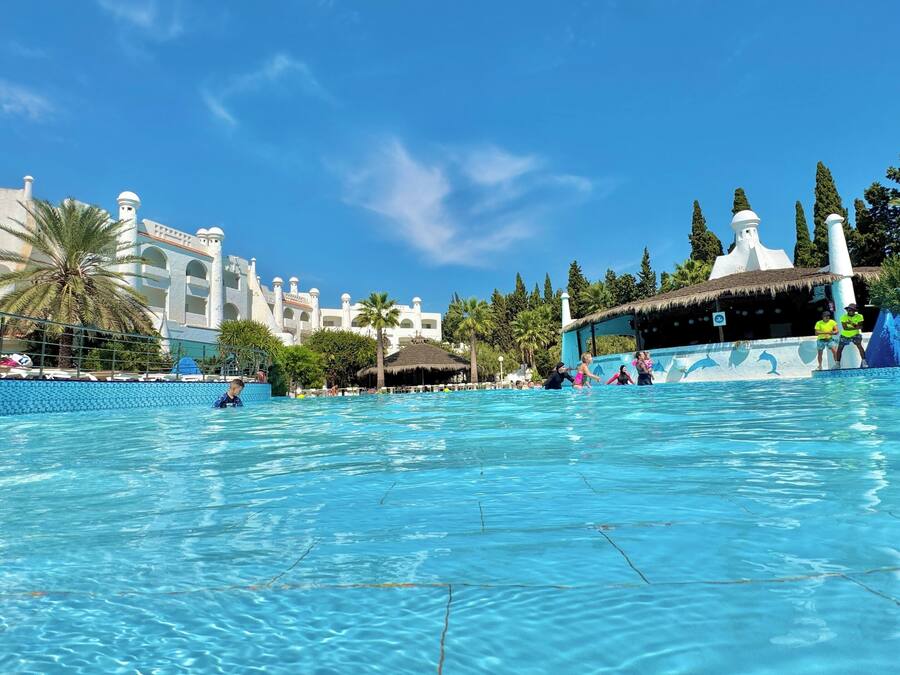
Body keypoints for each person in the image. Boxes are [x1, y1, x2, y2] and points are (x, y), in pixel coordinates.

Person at [836, 303, 868, 368]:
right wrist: (855, 326)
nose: (850, 311)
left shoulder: (859, 316)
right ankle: (837, 364)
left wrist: (851, 323)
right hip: (845, 335)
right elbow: (845, 328)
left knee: (859, 346)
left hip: (855, 335)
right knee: (839, 349)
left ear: (854, 311)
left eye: (852, 310)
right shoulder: (843, 317)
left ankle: (864, 362)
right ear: (847, 310)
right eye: (849, 310)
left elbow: (860, 327)